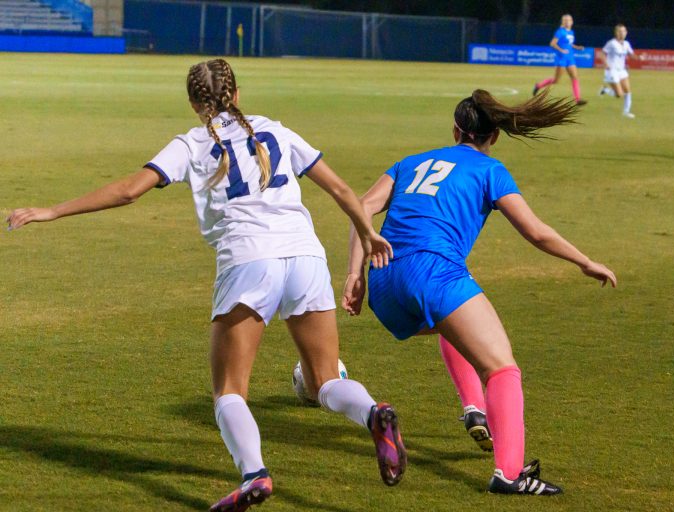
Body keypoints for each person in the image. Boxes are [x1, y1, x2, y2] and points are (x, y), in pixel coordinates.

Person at [6, 58, 407, 512]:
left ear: (195, 103)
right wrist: (368, 233)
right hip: (305, 256)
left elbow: (129, 190)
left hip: (248, 260)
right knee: (324, 380)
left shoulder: (192, 143)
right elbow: (340, 190)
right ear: (236, 94)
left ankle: (255, 474)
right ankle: (373, 413)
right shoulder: (274, 130)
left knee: (229, 391)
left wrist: (52, 211)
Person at [342, 89, 616, 495]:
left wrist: (355, 274)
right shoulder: (491, 170)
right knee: (502, 368)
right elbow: (536, 232)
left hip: (384, 282)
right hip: (434, 274)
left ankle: (474, 407)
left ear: (456, 131)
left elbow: (362, 207)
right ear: (495, 136)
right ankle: (510, 474)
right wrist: (584, 261)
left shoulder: (411, 162)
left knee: (456, 326)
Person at [533, 14, 588, 106]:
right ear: (562, 22)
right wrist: (561, 50)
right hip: (561, 58)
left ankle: (578, 99)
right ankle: (538, 86)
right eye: (565, 20)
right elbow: (552, 43)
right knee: (556, 80)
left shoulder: (571, 32)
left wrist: (577, 47)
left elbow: (569, 44)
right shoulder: (560, 31)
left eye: (569, 20)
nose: (567, 22)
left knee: (575, 77)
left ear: (572, 22)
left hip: (570, 58)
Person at [599, 24, 637, 118]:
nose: (622, 33)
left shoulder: (626, 44)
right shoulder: (611, 43)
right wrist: (606, 64)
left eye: (623, 31)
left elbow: (631, 55)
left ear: (626, 32)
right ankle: (605, 90)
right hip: (612, 71)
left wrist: (639, 57)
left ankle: (626, 112)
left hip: (622, 70)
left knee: (628, 91)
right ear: (616, 33)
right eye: (620, 31)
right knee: (619, 95)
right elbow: (602, 54)